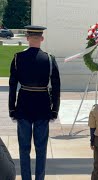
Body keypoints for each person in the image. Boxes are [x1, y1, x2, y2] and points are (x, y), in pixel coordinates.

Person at [8, 25, 61, 180]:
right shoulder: (49, 59)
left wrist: (12, 108)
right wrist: (54, 109)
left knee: (24, 149)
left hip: (23, 106)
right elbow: (56, 87)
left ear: (27, 38)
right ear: (42, 39)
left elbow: (12, 86)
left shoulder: (18, 58)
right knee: (41, 148)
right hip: (42, 106)